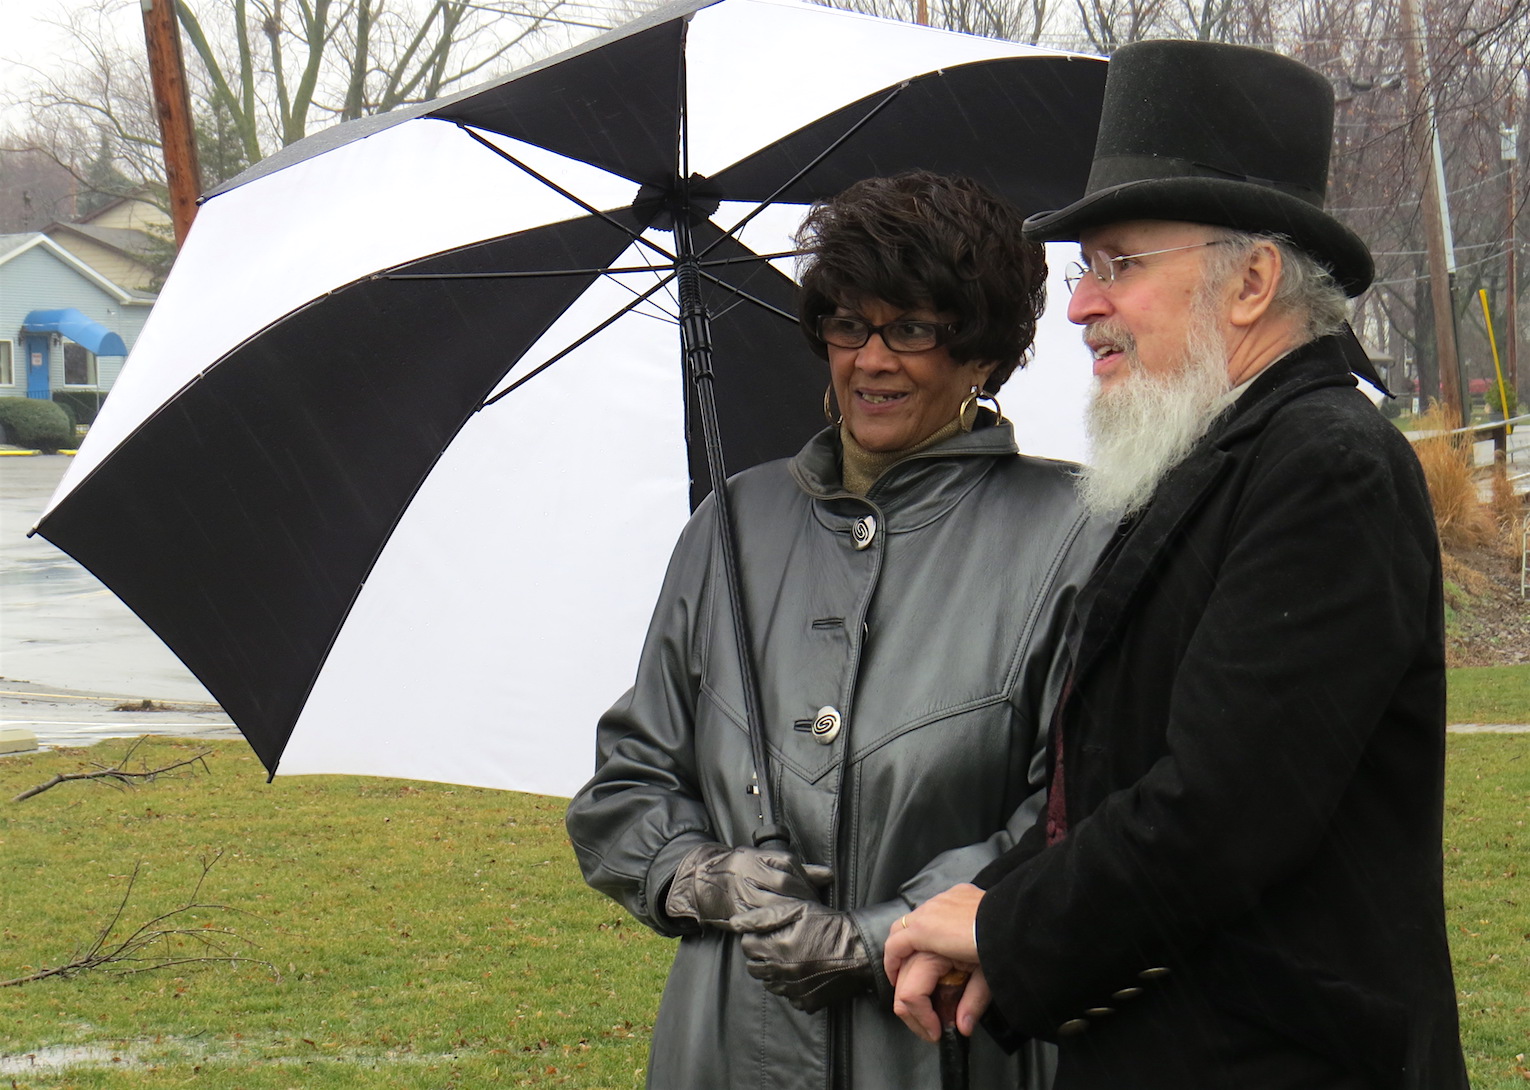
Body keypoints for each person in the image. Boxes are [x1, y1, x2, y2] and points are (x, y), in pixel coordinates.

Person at [883, 40, 1470, 1090]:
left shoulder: (1328, 466)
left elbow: (1220, 810)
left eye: (1117, 264)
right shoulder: (1219, 456)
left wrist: (1007, 922)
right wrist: (996, 918)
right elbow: (1120, 784)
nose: (1078, 307)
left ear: (1249, 279)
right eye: (1084, 269)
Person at [565, 170, 1106, 1089]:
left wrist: (875, 934)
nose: (872, 359)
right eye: (848, 324)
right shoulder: (732, 525)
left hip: (946, 1044)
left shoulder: (1076, 533)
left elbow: (1076, 814)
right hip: (727, 1045)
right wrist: (698, 873)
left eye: (913, 329)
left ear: (984, 353)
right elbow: (629, 780)